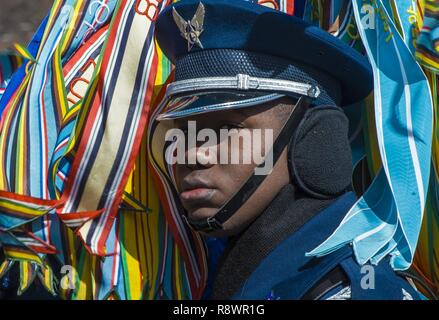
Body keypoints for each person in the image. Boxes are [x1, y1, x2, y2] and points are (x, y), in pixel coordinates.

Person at [153, 0, 422, 300]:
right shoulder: (240, 269)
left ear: (313, 136)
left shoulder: (355, 289)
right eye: (183, 131)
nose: (191, 154)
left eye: (226, 130)